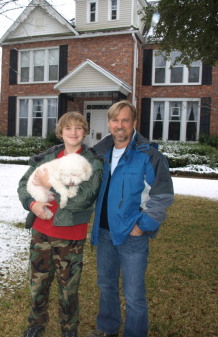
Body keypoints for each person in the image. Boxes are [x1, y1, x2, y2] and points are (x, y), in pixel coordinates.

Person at [88, 100, 174, 337]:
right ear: (109, 123)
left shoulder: (149, 155)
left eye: (125, 120)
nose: (120, 125)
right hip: (104, 233)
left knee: (134, 294)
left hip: (132, 236)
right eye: (115, 120)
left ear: (134, 122)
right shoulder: (99, 153)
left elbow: (162, 195)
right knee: (106, 286)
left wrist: (143, 225)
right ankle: (107, 327)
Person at [17, 112, 103, 337]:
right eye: (68, 128)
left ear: (85, 132)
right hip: (41, 231)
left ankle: (69, 328)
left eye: (78, 128)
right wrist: (32, 204)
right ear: (61, 132)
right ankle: (35, 324)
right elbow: (24, 184)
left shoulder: (93, 161)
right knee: (38, 283)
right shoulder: (49, 157)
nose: (73, 132)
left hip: (71, 234)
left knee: (69, 286)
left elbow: (85, 196)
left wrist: (50, 185)